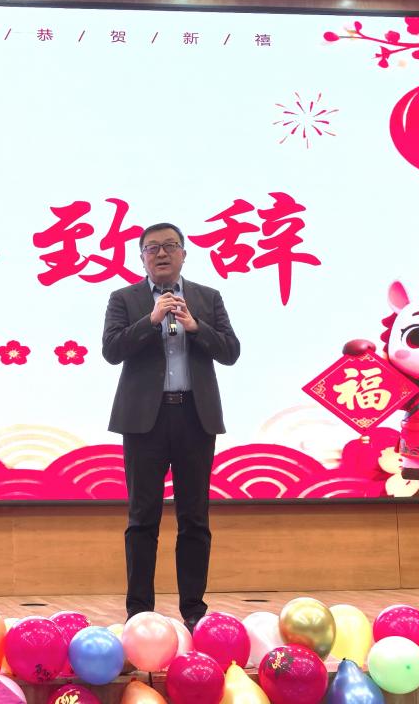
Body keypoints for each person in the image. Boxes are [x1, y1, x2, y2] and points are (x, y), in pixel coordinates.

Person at [102, 222, 240, 629]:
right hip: (144, 421)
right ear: (142, 258)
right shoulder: (124, 298)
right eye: (152, 248)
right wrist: (151, 320)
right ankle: (139, 611)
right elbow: (112, 350)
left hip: (195, 418)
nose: (161, 254)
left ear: (183, 254)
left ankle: (194, 611)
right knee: (142, 518)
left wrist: (197, 327)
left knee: (194, 518)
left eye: (169, 246)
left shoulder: (207, 298)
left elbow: (230, 351)